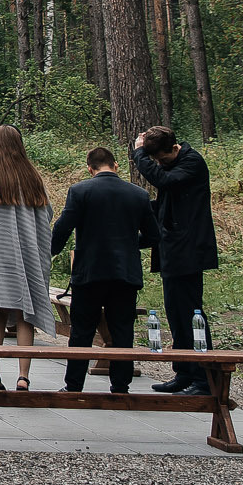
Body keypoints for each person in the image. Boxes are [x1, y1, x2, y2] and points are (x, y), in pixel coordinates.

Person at [52, 146, 158, 394]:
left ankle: (74, 386)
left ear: (90, 168)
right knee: (122, 330)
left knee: (81, 332)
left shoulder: (80, 191)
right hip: (124, 273)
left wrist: (51, 250)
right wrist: (129, 242)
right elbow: (154, 235)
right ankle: (120, 387)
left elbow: (63, 226)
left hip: (90, 272)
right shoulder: (138, 194)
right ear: (116, 165)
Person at [0, 124, 56, 391]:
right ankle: (23, 377)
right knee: (25, 313)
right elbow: (46, 213)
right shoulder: (30, 174)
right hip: (26, 254)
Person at [131, 124, 219, 394]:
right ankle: (184, 371)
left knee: (191, 314)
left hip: (188, 250)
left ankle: (204, 379)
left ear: (173, 148)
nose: (159, 164)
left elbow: (163, 181)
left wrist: (139, 154)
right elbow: (165, 204)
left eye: (160, 159)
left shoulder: (191, 163)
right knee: (176, 313)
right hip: (172, 250)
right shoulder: (174, 165)